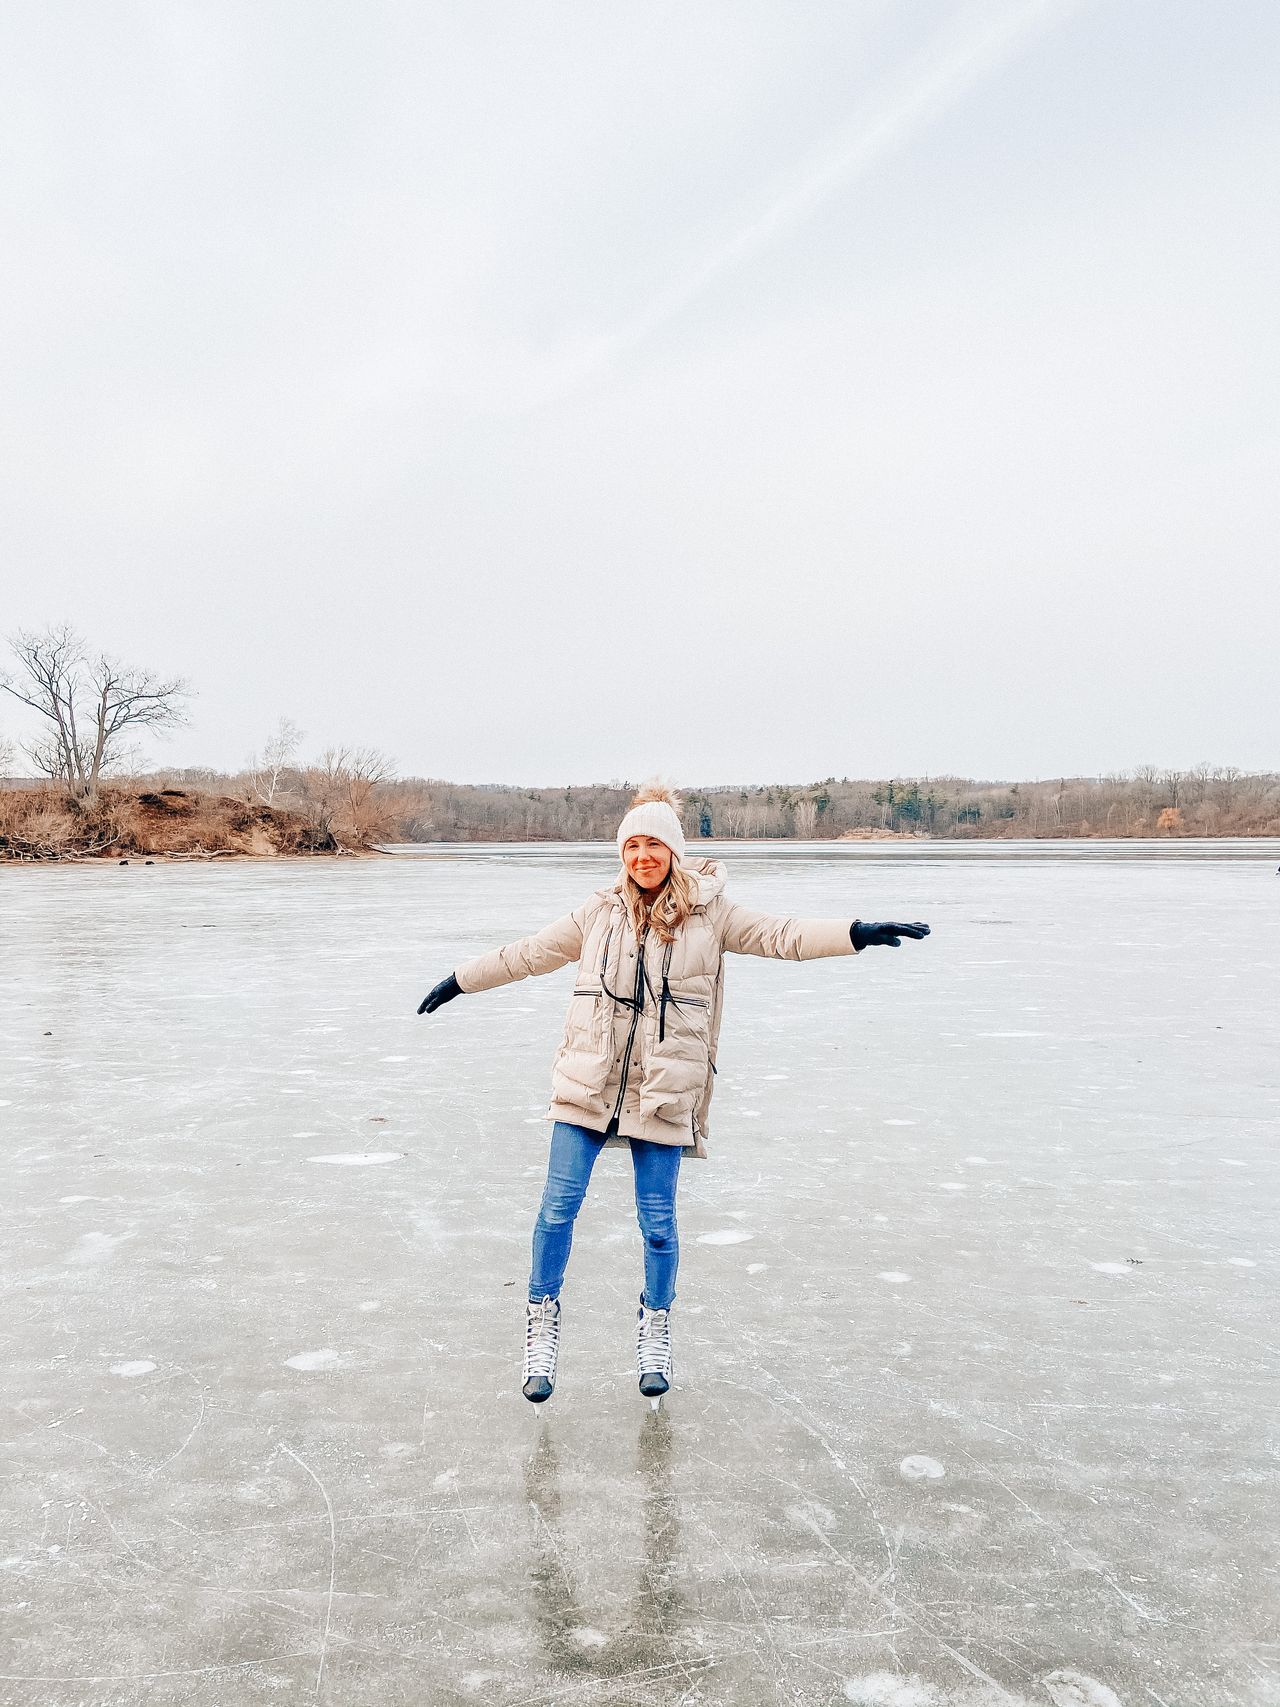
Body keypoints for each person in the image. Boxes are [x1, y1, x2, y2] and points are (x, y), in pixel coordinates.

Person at [417, 782, 930, 1408]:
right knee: (556, 1212)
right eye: (631, 846)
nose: (641, 857)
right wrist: (459, 981)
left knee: (657, 1226)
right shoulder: (597, 914)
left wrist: (855, 931)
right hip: (587, 1085)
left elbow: (785, 935)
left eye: (653, 845)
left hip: (664, 1093)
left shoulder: (712, 915)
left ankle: (655, 1328)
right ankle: (541, 1327)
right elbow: (528, 954)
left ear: (674, 852)